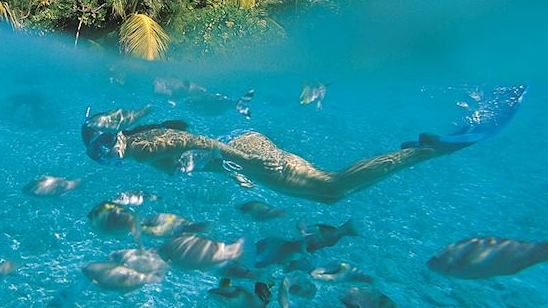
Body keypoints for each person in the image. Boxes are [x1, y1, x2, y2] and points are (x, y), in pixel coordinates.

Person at [81, 86, 526, 204]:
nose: (106, 153)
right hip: (242, 151)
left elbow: (188, 138)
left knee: (331, 187)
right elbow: (187, 149)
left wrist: (235, 157)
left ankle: (425, 150)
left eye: (103, 145)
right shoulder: (138, 141)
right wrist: (233, 169)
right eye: (98, 152)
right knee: (329, 196)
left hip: (244, 148)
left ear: (113, 134)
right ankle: (418, 150)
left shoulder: (136, 147)